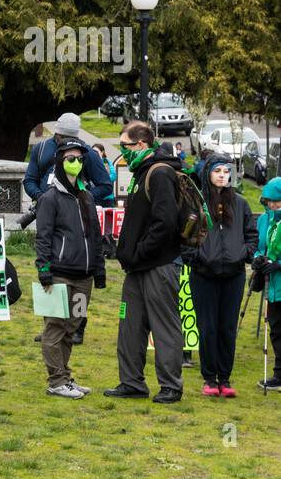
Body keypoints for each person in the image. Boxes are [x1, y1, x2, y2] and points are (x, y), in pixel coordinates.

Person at [108, 121, 185, 403]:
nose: (122, 152)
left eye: (125, 146)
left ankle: (170, 386)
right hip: (137, 268)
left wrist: (139, 252)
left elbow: (165, 223)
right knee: (129, 324)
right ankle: (131, 382)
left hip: (158, 265)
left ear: (141, 145)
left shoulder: (161, 172)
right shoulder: (141, 172)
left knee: (164, 327)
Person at [34, 137, 106, 398]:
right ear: (60, 162)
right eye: (70, 159)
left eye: (79, 159)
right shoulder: (49, 199)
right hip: (59, 275)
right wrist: (44, 270)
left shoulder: (86, 197)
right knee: (55, 326)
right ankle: (56, 380)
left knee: (72, 326)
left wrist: (99, 271)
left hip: (83, 278)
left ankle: (65, 376)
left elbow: (95, 236)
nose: (75, 163)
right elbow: (43, 237)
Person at [186, 153, 256, 397]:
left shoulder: (240, 203)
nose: (222, 176)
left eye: (226, 172)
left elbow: (251, 233)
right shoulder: (197, 202)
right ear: (208, 173)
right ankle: (209, 378)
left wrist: (246, 252)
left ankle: (225, 378)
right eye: (217, 171)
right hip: (204, 274)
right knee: (208, 327)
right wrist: (195, 256)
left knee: (227, 328)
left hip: (233, 274)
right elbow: (185, 234)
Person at [23, 112, 113, 207]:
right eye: (63, 138)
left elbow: (106, 186)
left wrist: (82, 198)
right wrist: (41, 197)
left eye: (70, 139)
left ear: (76, 137)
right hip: (45, 208)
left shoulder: (87, 152)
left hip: (76, 212)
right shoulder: (41, 148)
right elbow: (29, 180)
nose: (66, 143)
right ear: (57, 133)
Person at [253, 177, 281, 392]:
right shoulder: (264, 220)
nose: (273, 205)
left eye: (277, 201)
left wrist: (278, 264)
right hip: (272, 287)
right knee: (276, 330)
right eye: (270, 201)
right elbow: (259, 245)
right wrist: (257, 258)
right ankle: (278, 375)